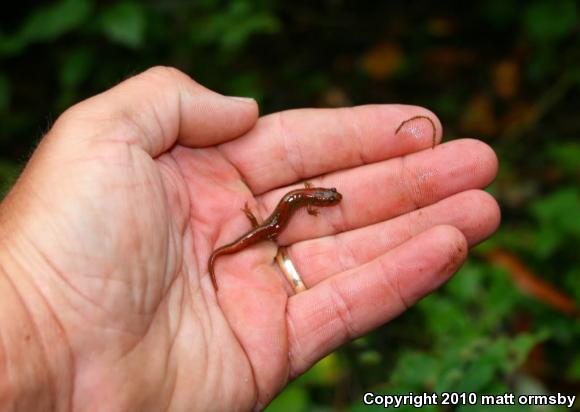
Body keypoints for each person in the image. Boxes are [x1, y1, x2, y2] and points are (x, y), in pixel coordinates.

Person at [0, 67, 500, 411]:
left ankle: (227, 253)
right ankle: (226, 254)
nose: (326, 201)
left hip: (266, 227)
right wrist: (37, 307)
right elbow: (294, 208)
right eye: (325, 199)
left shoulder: (300, 200)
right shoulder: (292, 209)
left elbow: (299, 201)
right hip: (265, 232)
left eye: (323, 200)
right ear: (318, 198)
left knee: (254, 234)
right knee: (251, 238)